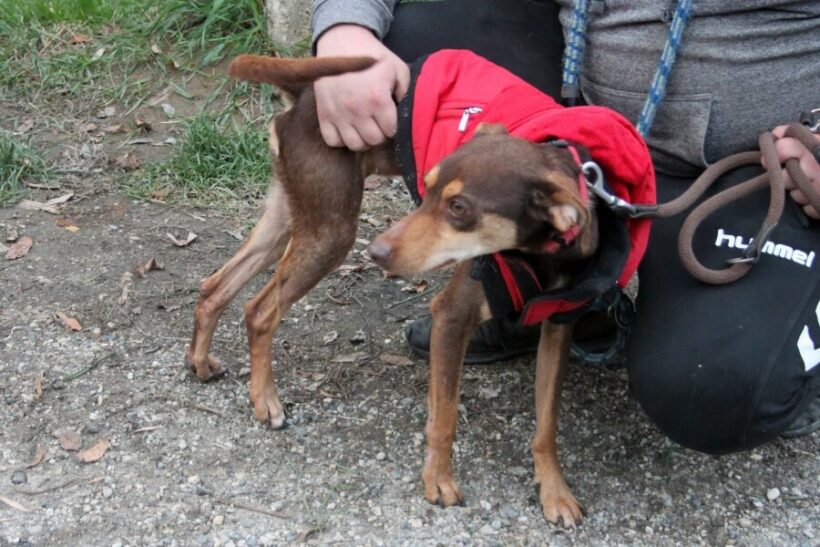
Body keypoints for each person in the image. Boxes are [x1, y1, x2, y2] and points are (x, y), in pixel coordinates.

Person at [310, 0, 820, 451]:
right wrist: (345, 30)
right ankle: (526, 293)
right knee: (415, 42)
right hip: (571, 119)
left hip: (745, 168)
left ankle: (781, 338)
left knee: (717, 388)